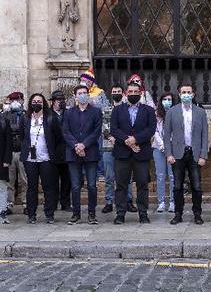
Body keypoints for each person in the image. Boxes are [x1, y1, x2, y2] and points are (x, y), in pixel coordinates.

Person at [110, 79, 156, 224]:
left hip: (141, 152)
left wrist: (135, 139)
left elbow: (150, 129)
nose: (133, 94)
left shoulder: (148, 110)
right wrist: (127, 141)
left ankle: (143, 213)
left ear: (141, 93)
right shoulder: (117, 110)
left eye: (136, 92)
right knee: (121, 185)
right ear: (125, 93)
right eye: (130, 92)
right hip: (122, 153)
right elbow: (114, 129)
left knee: (142, 184)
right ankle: (120, 213)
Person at [162, 83, 209, 225]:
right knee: (177, 186)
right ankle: (178, 213)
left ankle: (197, 213)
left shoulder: (200, 112)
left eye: (189, 92)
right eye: (184, 92)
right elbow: (166, 135)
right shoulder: (172, 111)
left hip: (194, 154)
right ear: (179, 94)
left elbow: (205, 135)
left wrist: (203, 155)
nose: (186, 94)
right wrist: (168, 154)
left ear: (193, 94)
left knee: (196, 186)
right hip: (177, 154)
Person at [18, 93, 63, 224]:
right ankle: (31, 214)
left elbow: (58, 137)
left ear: (43, 103)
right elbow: (22, 136)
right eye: (34, 101)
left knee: (48, 186)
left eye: (39, 101)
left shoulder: (50, 118)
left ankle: (49, 214)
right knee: (31, 187)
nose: (36, 103)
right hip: (30, 158)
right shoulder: (25, 119)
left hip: (46, 158)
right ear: (30, 103)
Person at [62, 84, 103, 225]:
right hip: (73, 153)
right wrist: (76, 145)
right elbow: (66, 132)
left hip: (90, 152)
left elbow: (96, 132)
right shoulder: (68, 113)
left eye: (85, 92)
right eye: (79, 93)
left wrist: (84, 145)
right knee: (75, 185)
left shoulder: (96, 112)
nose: (82, 95)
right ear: (75, 96)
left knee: (92, 185)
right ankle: (76, 214)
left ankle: (92, 213)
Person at [151, 91, 177, 215]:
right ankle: (161, 202)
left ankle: (173, 201)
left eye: (170, 99)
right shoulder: (156, 115)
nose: (167, 101)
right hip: (158, 148)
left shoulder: (177, 113)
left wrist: (169, 146)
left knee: (173, 176)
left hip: (173, 149)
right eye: (165, 99)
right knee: (160, 175)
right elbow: (154, 131)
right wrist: (162, 145)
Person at [100, 83, 123, 213]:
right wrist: (110, 137)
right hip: (108, 147)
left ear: (123, 93)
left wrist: (119, 138)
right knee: (109, 176)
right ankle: (109, 201)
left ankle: (128, 200)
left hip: (124, 147)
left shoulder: (126, 108)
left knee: (126, 177)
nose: (116, 93)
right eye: (114, 91)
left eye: (119, 91)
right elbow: (103, 126)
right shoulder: (106, 109)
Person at [3, 91, 26, 212]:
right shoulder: (6, 115)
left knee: (25, 178)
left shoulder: (26, 114)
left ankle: (26, 203)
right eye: (12, 100)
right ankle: (9, 203)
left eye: (17, 100)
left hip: (22, 150)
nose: (15, 103)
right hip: (10, 150)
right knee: (9, 179)